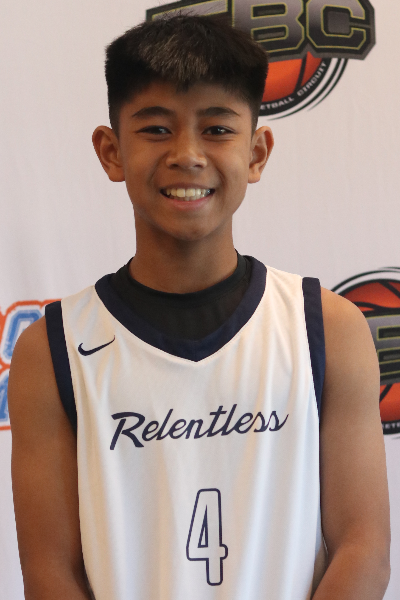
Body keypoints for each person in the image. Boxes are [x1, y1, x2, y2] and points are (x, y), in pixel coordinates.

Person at [8, 14, 390, 600]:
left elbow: (363, 547)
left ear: (256, 153)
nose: (187, 154)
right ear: (111, 151)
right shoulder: (51, 349)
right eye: (156, 129)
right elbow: (50, 572)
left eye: (216, 129)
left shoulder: (326, 328)